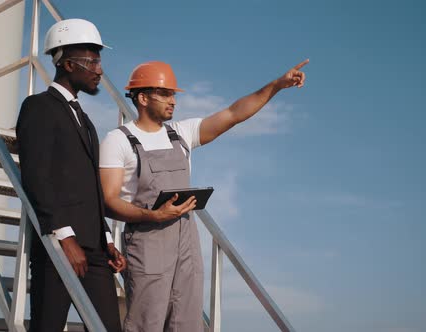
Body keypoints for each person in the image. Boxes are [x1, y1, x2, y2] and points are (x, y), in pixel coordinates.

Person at [99, 59, 308, 331]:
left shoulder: (181, 134)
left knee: (187, 322)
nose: (172, 100)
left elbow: (234, 113)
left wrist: (277, 85)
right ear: (142, 98)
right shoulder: (118, 140)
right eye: (165, 93)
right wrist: (154, 214)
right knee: (145, 322)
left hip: (186, 241)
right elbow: (108, 200)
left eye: (173, 94)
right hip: (147, 241)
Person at [16, 18, 126, 331]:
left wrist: (106, 238)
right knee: (47, 326)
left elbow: (90, 186)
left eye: (99, 60)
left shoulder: (87, 121)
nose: (99, 70)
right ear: (67, 63)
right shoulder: (38, 107)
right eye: (92, 61)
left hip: (95, 249)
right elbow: (37, 176)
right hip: (60, 248)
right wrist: (65, 237)